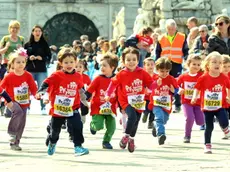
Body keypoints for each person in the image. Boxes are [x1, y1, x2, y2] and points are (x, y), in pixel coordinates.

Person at [35, 48, 89, 156]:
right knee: (55, 131)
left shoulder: (78, 76)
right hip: (58, 109)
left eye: (71, 62)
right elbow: (46, 83)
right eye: (66, 62)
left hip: (73, 108)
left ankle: (78, 146)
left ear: (76, 62)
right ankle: (52, 142)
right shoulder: (56, 75)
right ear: (60, 63)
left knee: (78, 126)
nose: (69, 64)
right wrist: (41, 92)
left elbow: (81, 90)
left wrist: (85, 103)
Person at [105, 47, 153, 153]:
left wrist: (152, 87)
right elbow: (113, 83)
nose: (131, 62)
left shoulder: (142, 72)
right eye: (128, 60)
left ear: (138, 60)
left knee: (136, 121)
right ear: (123, 61)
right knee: (132, 116)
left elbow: (150, 83)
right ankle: (125, 136)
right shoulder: (121, 73)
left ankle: (131, 139)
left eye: (134, 59)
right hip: (125, 101)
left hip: (139, 101)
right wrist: (108, 93)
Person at [191, 51, 230, 154]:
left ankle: (225, 129)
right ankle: (207, 145)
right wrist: (194, 97)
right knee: (209, 126)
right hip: (207, 107)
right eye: (214, 62)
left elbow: (228, 87)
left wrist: (228, 97)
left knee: (225, 120)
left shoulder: (223, 77)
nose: (217, 64)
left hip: (220, 105)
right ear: (207, 64)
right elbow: (197, 88)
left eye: (220, 62)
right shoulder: (203, 77)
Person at [0, 48, 37, 151]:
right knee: (18, 112)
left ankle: (15, 143)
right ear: (12, 64)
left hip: (24, 102)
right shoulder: (8, 76)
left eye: (23, 62)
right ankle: (11, 133)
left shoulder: (28, 75)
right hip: (11, 101)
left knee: (21, 122)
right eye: (18, 62)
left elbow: (33, 88)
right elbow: (1, 88)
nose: (21, 64)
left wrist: (37, 95)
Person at [85, 54, 118, 149]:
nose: (102, 67)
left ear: (112, 68)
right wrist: (84, 100)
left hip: (110, 108)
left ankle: (106, 141)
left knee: (112, 127)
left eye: (105, 65)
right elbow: (89, 90)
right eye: (101, 65)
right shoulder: (98, 78)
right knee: (98, 126)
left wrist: (122, 105)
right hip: (97, 107)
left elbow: (120, 92)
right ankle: (93, 126)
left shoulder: (117, 79)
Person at [155, 19, 189, 113]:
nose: (171, 31)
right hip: (164, 63)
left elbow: (185, 49)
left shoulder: (182, 36)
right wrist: (156, 62)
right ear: (166, 28)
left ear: (176, 28)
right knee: (162, 83)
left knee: (176, 83)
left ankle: (177, 105)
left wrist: (186, 58)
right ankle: (162, 102)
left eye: (173, 29)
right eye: (169, 29)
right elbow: (157, 51)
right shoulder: (161, 38)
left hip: (176, 63)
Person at [148, 57, 178, 145]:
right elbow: (149, 88)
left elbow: (177, 90)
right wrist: (156, 84)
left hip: (166, 105)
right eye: (162, 71)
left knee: (164, 120)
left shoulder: (171, 79)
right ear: (157, 70)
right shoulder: (154, 77)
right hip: (156, 103)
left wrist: (174, 91)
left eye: (167, 71)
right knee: (159, 118)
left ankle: (155, 125)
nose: (164, 73)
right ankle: (161, 135)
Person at [24, 25, 51, 115]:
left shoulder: (44, 44)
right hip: (30, 69)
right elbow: (23, 57)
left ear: (41, 33)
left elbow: (49, 57)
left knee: (41, 88)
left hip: (41, 70)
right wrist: (28, 58)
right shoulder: (27, 45)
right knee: (27, 88)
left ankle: (43, 107)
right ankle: (27, 106)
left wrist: (42, 58)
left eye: (39, 31)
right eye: (36, 31)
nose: (37, 33)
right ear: (33, 32)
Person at [177, 54, 204, 143]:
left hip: (198, 102)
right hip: (186, 102)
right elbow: (176, 84)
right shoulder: (183, 76)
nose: (196, 66)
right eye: (194, 64)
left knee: (200, 122)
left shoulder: (201, 76)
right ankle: (187, 135)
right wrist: (180, 89)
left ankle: (201, 121)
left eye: (198, 64)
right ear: (188, 64)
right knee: (189, 118)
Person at [142, 57, 157, 129]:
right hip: (145, 97)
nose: (150, 66)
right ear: (144, 66)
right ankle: (145, 113)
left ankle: (150, 122)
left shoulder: (157, 76)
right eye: (148, 65)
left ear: (154, 65)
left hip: (154, 97)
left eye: (152, 64)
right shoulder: (143, 75)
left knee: (153, 111)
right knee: (146, 108)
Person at [75, 59, 91, 124]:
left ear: (84, 68)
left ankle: (82, 121)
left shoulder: (86, 77)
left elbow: (90, 85)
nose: (78, 68)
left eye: (80, 67)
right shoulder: (72, 76)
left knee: (84, 108)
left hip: (82, 96)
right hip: (73, 95)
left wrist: (90, 94)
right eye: (76, 67)